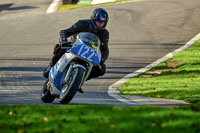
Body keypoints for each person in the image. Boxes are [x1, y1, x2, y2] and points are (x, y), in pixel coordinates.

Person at [43, 8, 109, 89]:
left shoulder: (105, 33)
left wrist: (101, 60)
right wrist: (64, 41)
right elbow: (64, 32)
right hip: (74, 46)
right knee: (59, 47)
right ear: (93, 20)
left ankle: (79, 80)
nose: (100, 25)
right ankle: (51, 66)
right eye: (98, 22)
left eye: (102, 23)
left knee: (101, 69)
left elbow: (105, 49)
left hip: (89, 53)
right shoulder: (82, 23)